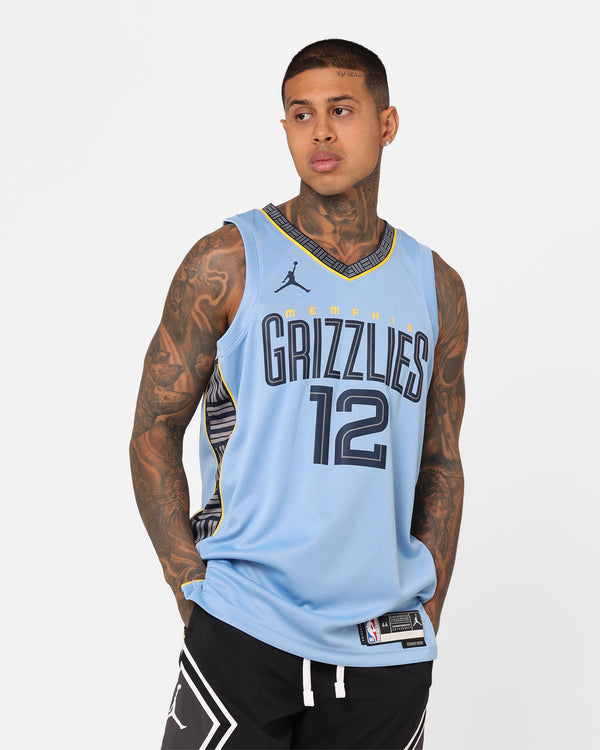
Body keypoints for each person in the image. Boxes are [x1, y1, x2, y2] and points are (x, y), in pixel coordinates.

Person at [130, 38, 468, 750]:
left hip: (383, 646)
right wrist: (192, 591)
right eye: (301, 114)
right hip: (245, 622)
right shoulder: (228, 259)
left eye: (341, 110)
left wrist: (428, 606)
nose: (320, 132)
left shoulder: (436, 286)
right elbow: (153, 430)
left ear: (387, 123)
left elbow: (440, 462)